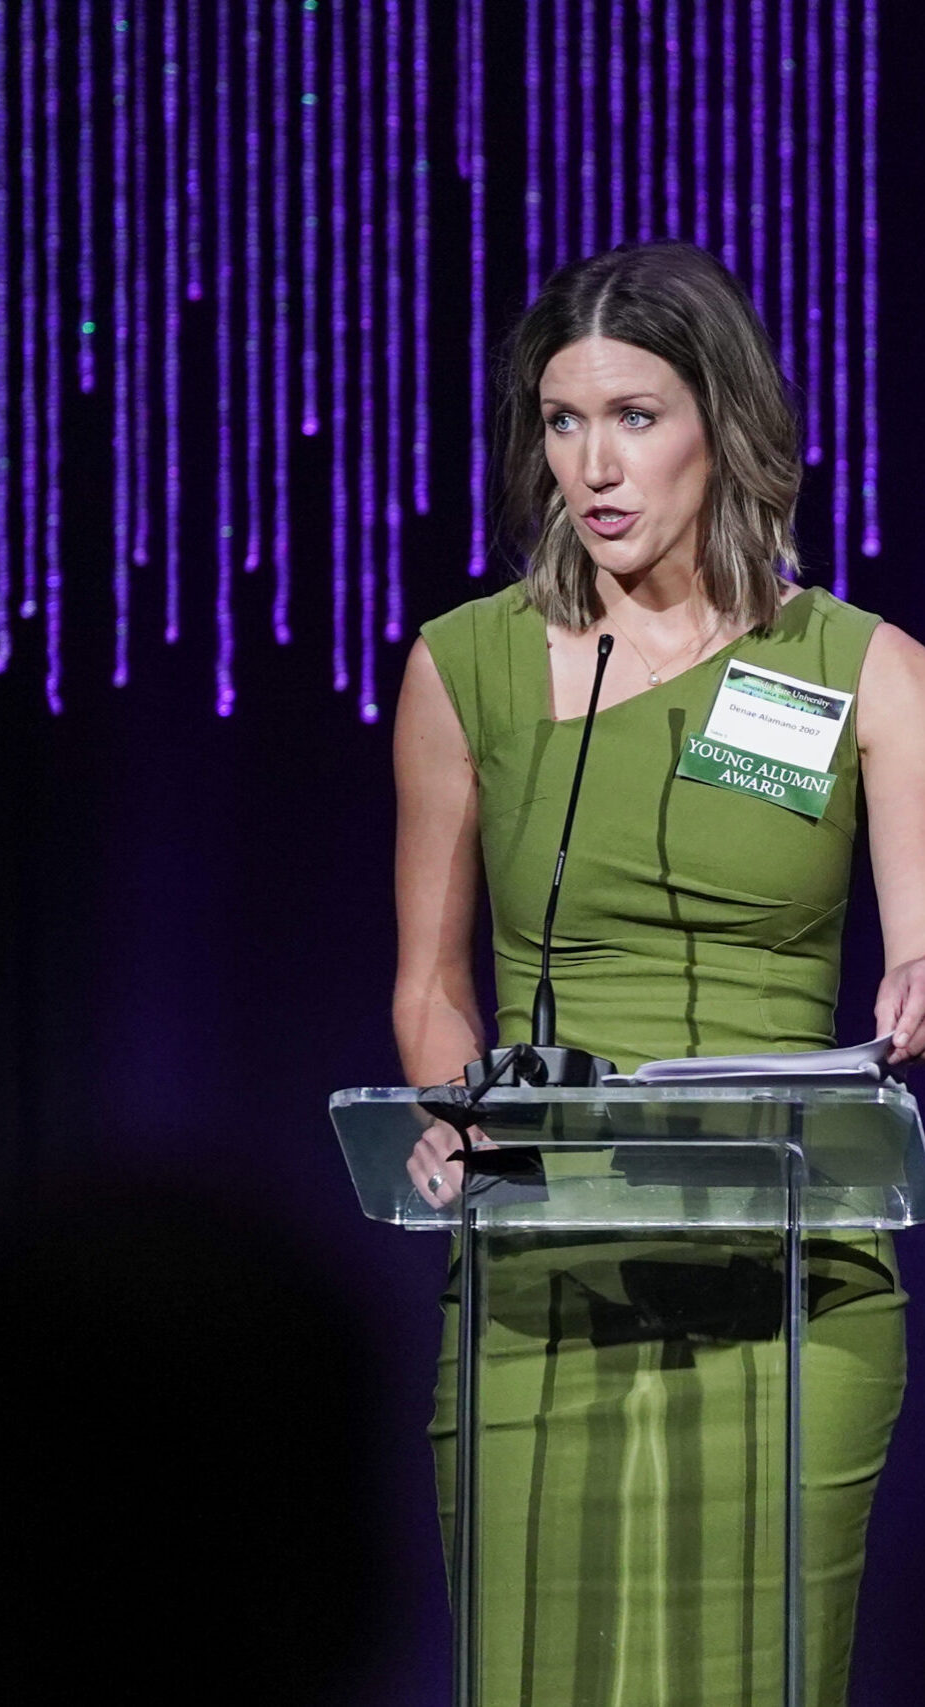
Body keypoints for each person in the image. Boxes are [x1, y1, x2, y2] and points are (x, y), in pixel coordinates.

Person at [392, 241, 925, 1707]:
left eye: (634, 416)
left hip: (789, 1274)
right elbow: (431, 980)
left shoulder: (855, 667)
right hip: (539, 1267)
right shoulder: (466, 669)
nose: (595, 466)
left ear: (722, 424)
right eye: (563, 422)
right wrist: (446, 1104)